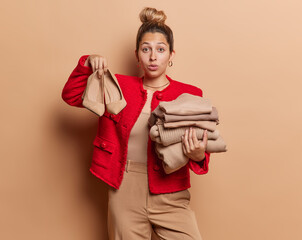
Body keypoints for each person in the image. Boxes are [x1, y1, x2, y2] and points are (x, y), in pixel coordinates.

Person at [62, 7, 211, 240]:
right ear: (137, 55)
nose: (153, 57)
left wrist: (199, 154)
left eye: (160, 50)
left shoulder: (189, 93)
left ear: (171, 55)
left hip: (171, 189)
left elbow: (202, 148)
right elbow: (71, 95)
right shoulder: (116, 85)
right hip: (124, 188)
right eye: (146, 49)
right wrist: (88, 64)